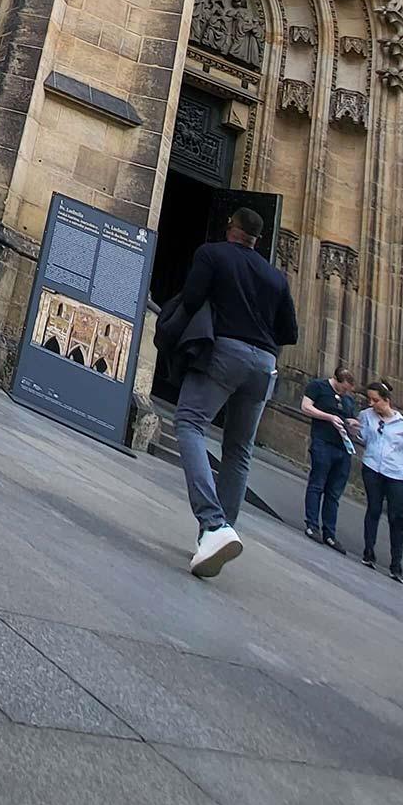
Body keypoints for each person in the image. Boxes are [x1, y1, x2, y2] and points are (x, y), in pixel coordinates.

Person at [172, 207, 298, 578]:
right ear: (257, 239)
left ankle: (213, 526)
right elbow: (289, 332)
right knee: (239, 450)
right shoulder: (276, 277)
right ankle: (215, 536)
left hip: (226, 353)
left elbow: (192, 299)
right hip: (264, 365)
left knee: (190, 423)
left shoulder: (212, 253)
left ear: (232, 228)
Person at [358, 380, 403, 583]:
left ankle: (396, 564)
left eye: (376, 400)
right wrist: (355, 429)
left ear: (386, 400)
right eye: (369, 400)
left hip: (396, 475)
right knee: (373, 509)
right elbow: (364, 437)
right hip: (372, 468)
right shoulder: (366, 416)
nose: (372, 404)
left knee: (396, 518)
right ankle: (368, 552)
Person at [301, 363, 359, 551]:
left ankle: (330, 533)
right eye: (344, 388)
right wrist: (329, 417)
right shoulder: (318, 387)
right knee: (317, 483)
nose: (345, 393)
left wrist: (352, 424)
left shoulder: (347, 400)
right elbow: (306, 407)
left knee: (334, 492)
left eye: (348, 391)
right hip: (323, 442)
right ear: (337, 380)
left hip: (343, 447)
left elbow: (352, 421)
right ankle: (312, 524)